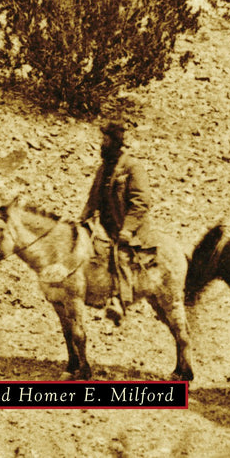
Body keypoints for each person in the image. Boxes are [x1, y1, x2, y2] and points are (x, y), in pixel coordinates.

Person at [81, 121, 155, 324]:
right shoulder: (103, 168)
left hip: (128, 228)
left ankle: (120, 300)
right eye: (102, 140)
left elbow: (141, 202)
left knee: (120, 256)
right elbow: (92, 199)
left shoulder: (132, 167)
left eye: (105, 140)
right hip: (106, 227)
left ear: (115, 143)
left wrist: (128, 229)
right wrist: (81, 220)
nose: (102, 144)